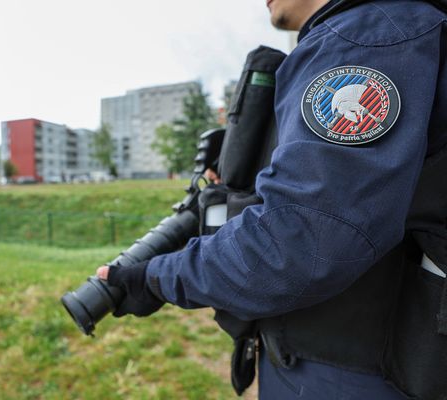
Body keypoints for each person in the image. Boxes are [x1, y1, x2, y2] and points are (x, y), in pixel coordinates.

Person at [97, 0, 447, 398]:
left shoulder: (364, 37)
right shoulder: (384, 32)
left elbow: (298, 241)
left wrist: (157, 277)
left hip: (352, 370)